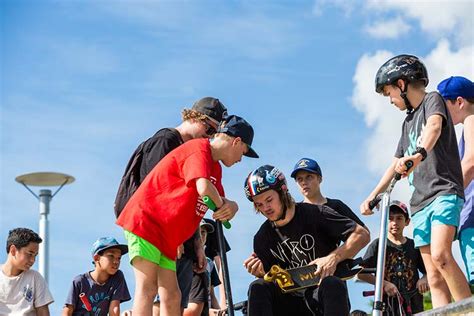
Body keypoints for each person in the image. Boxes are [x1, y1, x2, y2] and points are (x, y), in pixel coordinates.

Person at [116, 115, 258, 315]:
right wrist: (220, 206)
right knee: (147, 288)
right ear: (236, 142)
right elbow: (204, 188)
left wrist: (232, 206)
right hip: (146, 222)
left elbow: (221, 200)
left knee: (173, 295)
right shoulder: (199, 149)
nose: (240, 159)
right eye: (242, 152)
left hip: (166, 235)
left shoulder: (214, 167)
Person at [360, 54, 471, 308]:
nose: (389, 100)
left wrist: (418, 155)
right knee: (432, 274)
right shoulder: (407, 123)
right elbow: (393, 163)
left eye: (389, 93)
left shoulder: (433, 100)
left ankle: (467, 309)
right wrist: (373, 195)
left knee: (443, 256)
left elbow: (433, 127)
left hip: (443, 190)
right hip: (420, 202)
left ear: (402, 84)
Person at [243, 165, 369, 316]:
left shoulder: (316, 213)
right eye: (259, 204)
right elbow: (270, 281)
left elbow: (362, 235)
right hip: (289, 305)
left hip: (321, 297)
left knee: (332, 283)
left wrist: (333, 258)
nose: (266, 207)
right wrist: (260, 273)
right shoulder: (262, 237)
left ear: (282, 191)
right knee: (258, 287)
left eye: (269, 200)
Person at [358, 201, 429, 315]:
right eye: (390, 219)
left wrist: (424, 279)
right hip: (386, 307)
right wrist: (384, 284)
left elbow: (429, 270)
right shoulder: (378, 244)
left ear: (407, 222)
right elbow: (360, 273)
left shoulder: (414, 245)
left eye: (399, 218)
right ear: (384, 222)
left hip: (413, 305)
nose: (394, 223)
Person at [437, 76, 474, 284]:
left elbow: (470, 162)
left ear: (459, 102)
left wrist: (447, 199)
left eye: (443, 106)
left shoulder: (471, 120)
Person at [290, 157, 368, 232]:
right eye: (299, 179)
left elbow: (364, 232)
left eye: (309, 177)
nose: (304, 182)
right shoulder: (295, 210)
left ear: (319, 179)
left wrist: (345, 246)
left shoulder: (336, 206)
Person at [62, 237, 131, 315]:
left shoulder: (117, 277)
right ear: (96, 258)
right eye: (111, 256)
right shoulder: (80, 282)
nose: (116, 261)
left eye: (119, 258)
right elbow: (68, 310)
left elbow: (114, 309)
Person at [0, 228, 54, 315]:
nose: (33, 260)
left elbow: (43, 312)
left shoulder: (35, 278)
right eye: (30, 254)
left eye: (35, 255)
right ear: (13, 250)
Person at [184, 220, 221, 316]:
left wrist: (219, 311)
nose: (201, 235)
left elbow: (211, 295)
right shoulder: (182, 261)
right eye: (198, 232)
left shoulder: (209, 263)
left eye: (203, 232)